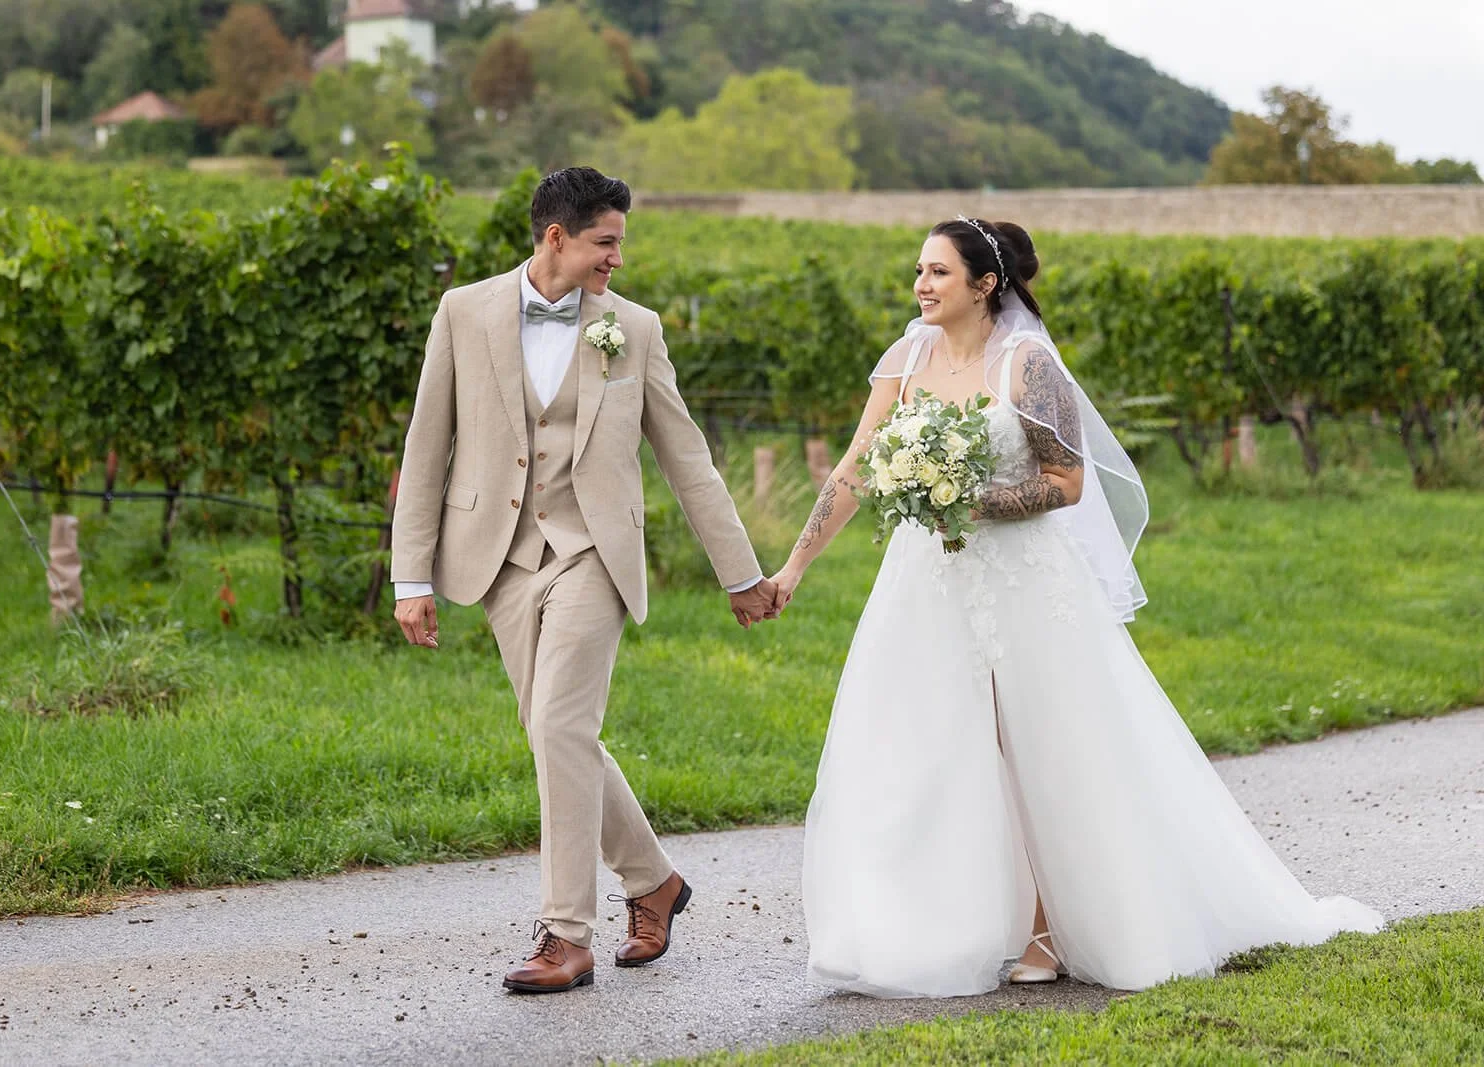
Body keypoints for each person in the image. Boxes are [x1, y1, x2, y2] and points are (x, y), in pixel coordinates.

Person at [770, 217, 1382, 997]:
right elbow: (855, 469)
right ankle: (919, 925)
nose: (921, 285)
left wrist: (970, 499)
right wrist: (793, 567)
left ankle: (1047, 928)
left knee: (1037, 743)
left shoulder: (1027, 364)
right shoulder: (905, 360)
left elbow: (1066, 481)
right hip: (926, 580)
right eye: (918, 271)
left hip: (1021, 579)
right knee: (923, 740)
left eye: (938, 272)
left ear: (985, 284)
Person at [390, 167, 781, 994]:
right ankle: (654, 881)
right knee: (552, 732)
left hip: (595, 552)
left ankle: (566, 935)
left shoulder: (633, 328)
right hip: (499, 558)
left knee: (561, 723)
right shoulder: (463, 311)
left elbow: (688, 459)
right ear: (556, 237)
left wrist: (740, 573)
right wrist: (409, 576)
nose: (618, 259)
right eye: (606, 242)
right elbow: (426, 446)